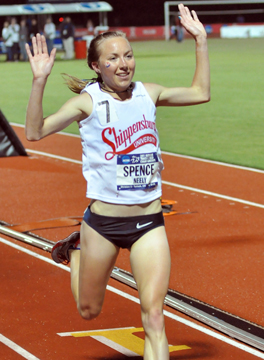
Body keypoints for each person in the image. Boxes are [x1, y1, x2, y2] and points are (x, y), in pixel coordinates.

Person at [25, 4, 210, 360]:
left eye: (128, 55)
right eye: (113, 58)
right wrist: (39, 80)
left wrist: (200, 40)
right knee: (89, 310)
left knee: (154, 316)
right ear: (96, 66)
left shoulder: (148, 93)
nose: (124, 64)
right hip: (103, 225)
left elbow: (200, 92)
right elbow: (34, 132)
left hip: (148, 222)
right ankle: (76, 252)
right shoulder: (86, 103)